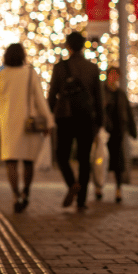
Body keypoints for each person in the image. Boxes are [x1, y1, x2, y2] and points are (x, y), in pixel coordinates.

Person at [0, 43, 54, 213]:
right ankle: (26, 192)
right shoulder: (29, 73)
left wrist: (3, 117)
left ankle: (15, 195)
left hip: (8, 123)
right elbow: (39, 99)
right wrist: (48, 121)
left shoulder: (0, 76)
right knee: (28, 161)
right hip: (28, 124)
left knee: (11, 161)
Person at [47, 31, 104, 211]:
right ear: (83, 46)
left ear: (68, 46)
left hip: (65, 117)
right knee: (84, 159)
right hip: (86, 118)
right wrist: (100, 121)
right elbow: (98, 98)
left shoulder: (60, 67)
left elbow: (52, 95)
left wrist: (50, 114)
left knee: (62, 156)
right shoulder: (92, 68)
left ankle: (72, 184)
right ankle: (81, 201)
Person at [99, 66, 137, 203]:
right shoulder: (101, 92)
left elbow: (128, 113)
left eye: (116, 75)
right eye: (112, 75)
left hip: (117, 132)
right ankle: (99, 186)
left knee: (118, 161)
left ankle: (118, 189)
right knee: (101, 160)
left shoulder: (120, 94)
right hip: (104, 131)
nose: (114, 78)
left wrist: (132, 130)